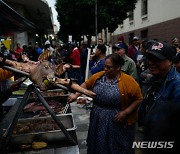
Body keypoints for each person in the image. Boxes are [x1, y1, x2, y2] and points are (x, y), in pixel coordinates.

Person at [68, 53, 143, 154]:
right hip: (98, 118)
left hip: (117, 119)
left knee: (116, 147)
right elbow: (85, 85)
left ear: (118, 67)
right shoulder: (99, 76)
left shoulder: (128, 81)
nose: (105, 69)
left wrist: (125, 113)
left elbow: (138, 99)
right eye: (104, 66)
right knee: (98, 144)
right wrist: (76, 95)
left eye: (109, 67)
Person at [138, 42, 180, 129]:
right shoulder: (153, 78)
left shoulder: (177, 85)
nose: (150, 63)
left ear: (170, 61)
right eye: (149, 58)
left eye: (157, 59)